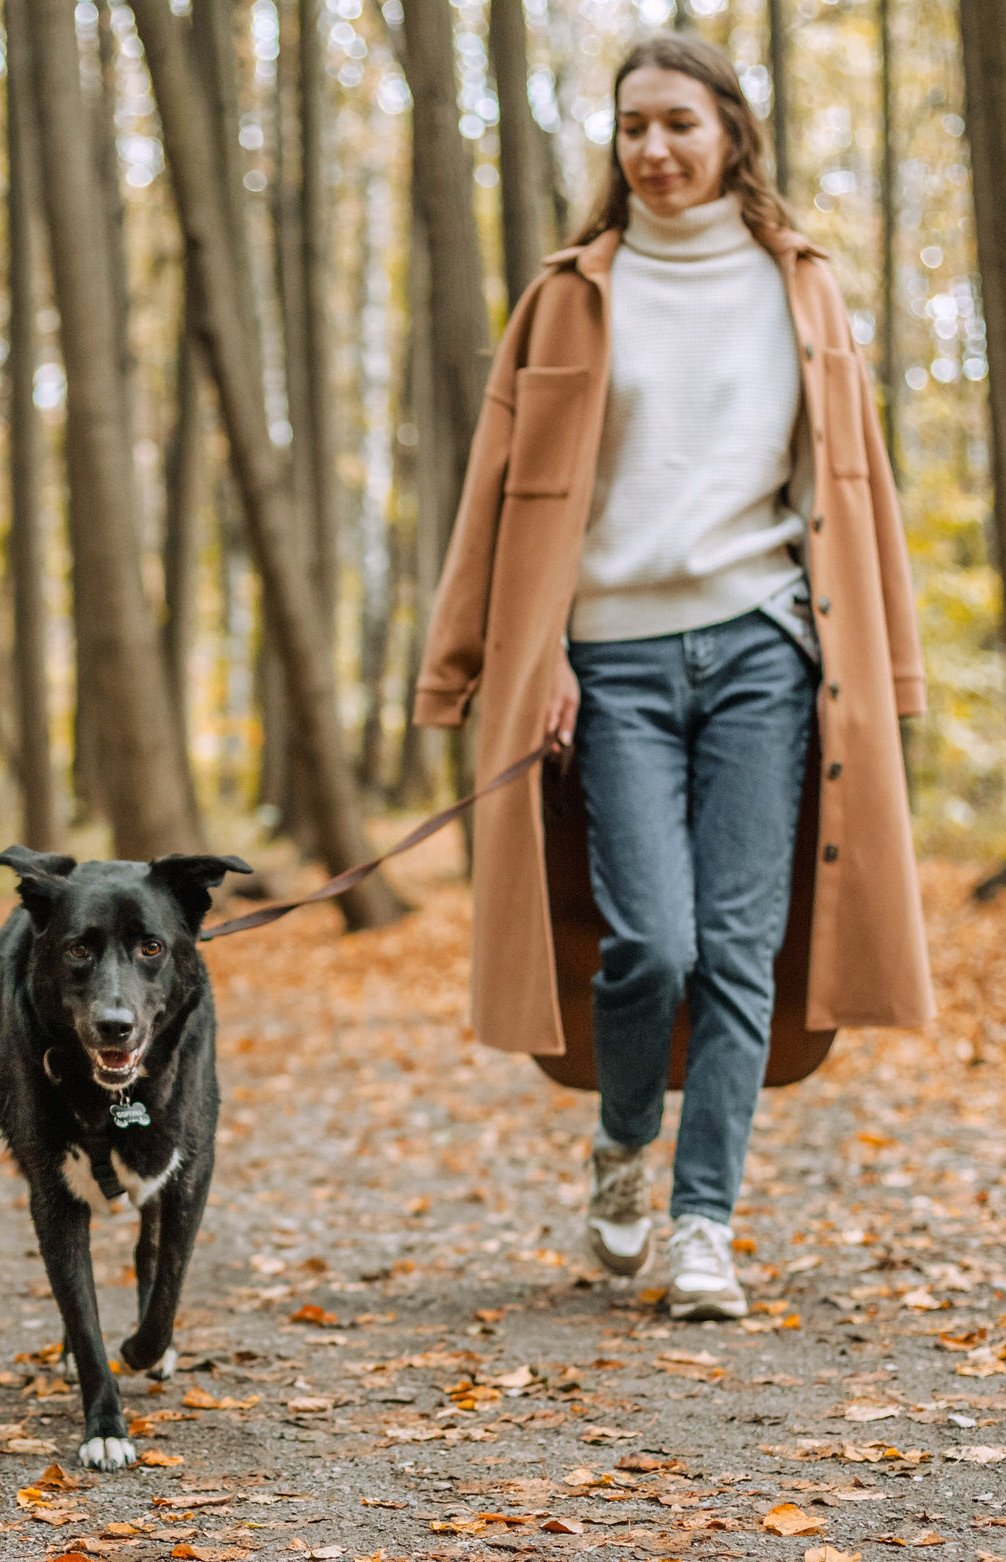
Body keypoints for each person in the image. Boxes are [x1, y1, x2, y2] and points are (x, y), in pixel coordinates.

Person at [413, 33, 933, 1321]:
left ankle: (705, 1225)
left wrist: (886, 667)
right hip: (611, 663)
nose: (654, 149)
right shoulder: (570, 293)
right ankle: (621, 1142)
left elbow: (854, 483)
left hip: (764, 648)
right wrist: (498, 659)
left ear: (732, 134)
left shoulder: (800, 285)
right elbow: (500, 492)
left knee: (743, 948)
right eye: (634, 126)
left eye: (680, 124)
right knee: (651, 941)